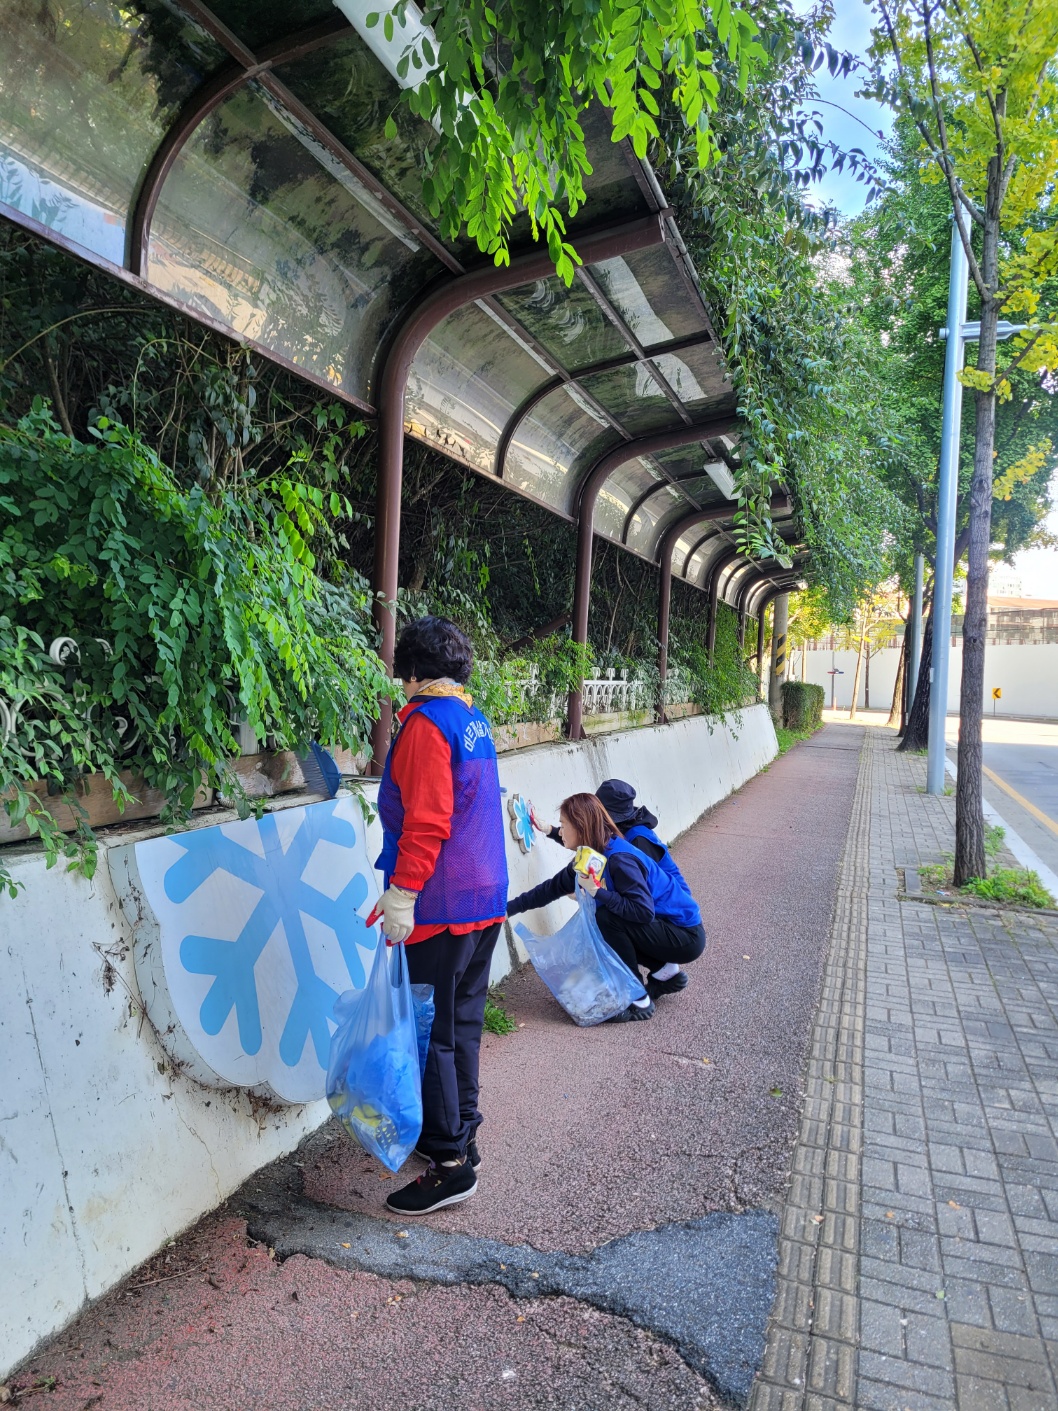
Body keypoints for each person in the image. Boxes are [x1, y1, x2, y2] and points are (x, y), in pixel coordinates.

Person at [374, 616, 508, 1215]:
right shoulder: (472, 720)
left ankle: (449, 1165)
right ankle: (462, 1138)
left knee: (432, 1037)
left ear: (412, 670)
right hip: (484, 899)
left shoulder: (426, 724)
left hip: (443, 904)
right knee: (461, 1027)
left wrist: (402, 892)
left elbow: (428, 821)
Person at [508, 792, 705, 1021]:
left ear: (581, 827)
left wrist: (597, 893)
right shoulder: (591, 855)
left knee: (606, 918)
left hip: (685, 937)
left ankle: (637, 998)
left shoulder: (619, 859)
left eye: (562, 825)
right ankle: (664, 971)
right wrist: (506, 910)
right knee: (602, 918)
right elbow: (551, 888)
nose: (559, 831)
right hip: (664, 929)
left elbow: (642, 912)